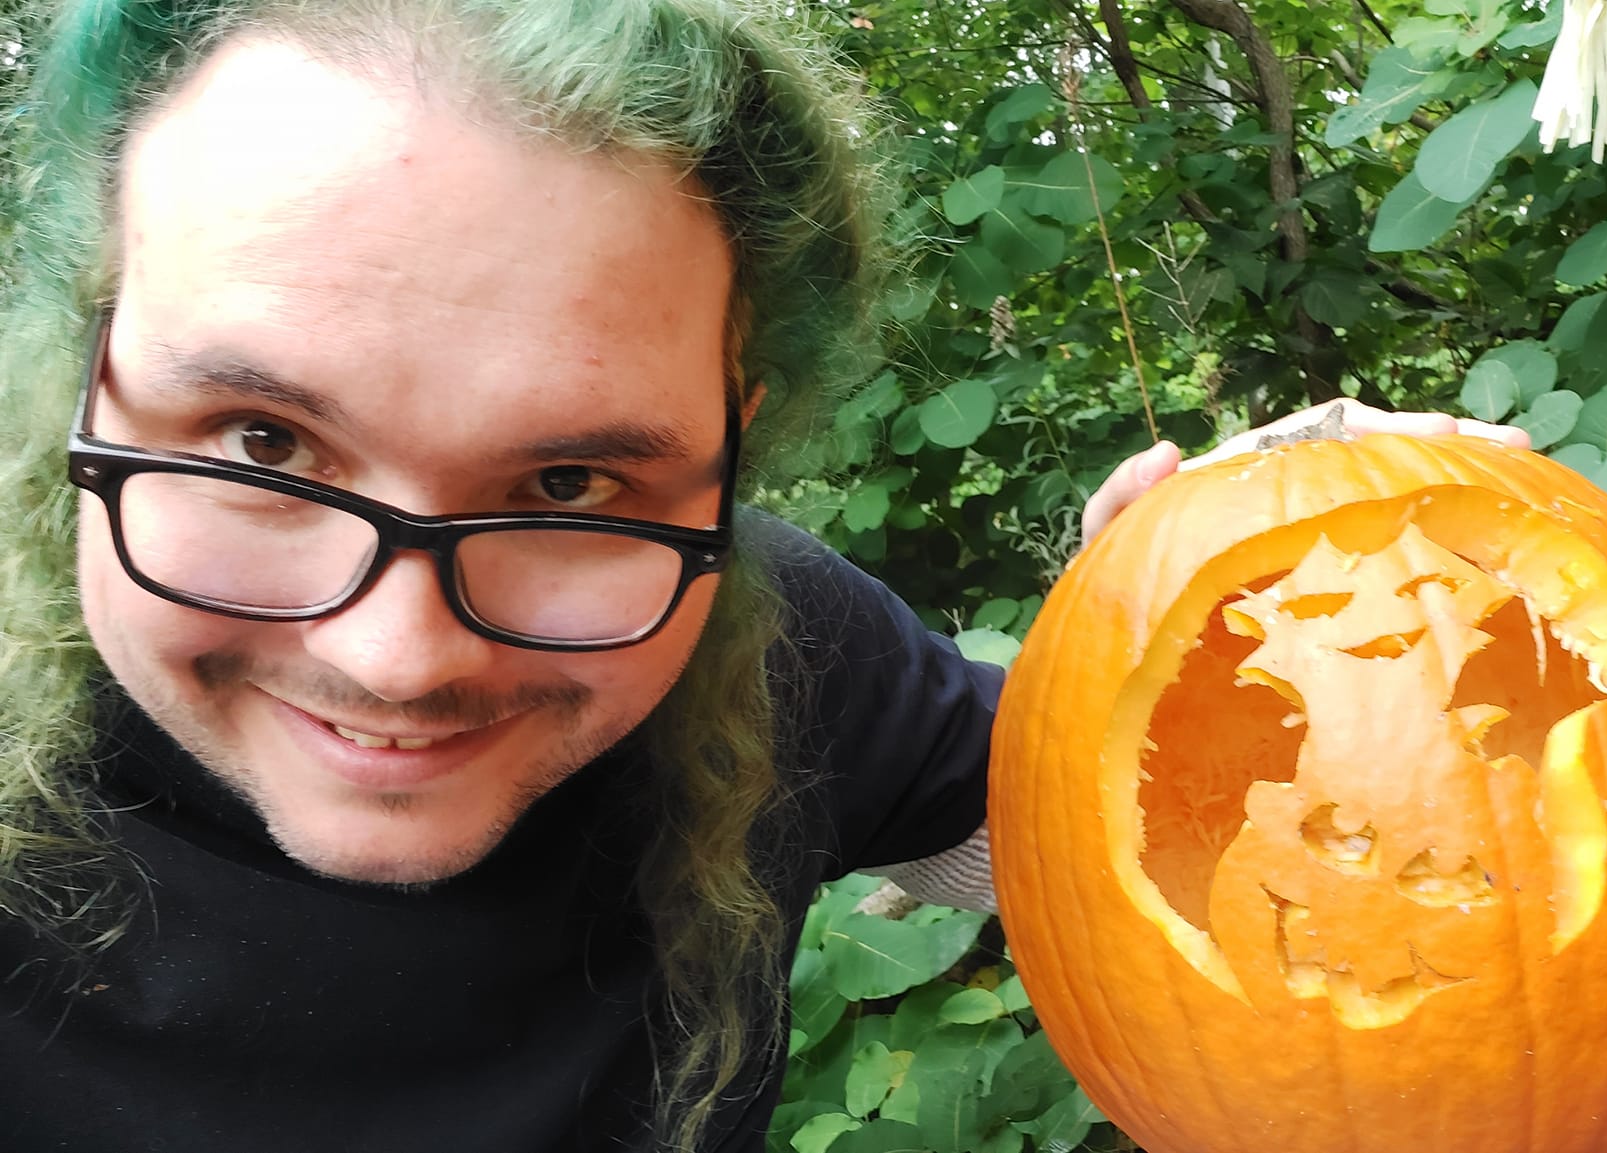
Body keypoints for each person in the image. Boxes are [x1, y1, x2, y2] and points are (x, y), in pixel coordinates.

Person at [0, 2, 1526, 1150]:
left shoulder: (781, 645)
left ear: (733, 447)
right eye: (261, 440)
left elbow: (1049, 860)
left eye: (569, 483)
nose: (397, 658)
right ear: (87, 366)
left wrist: (1201, 621)